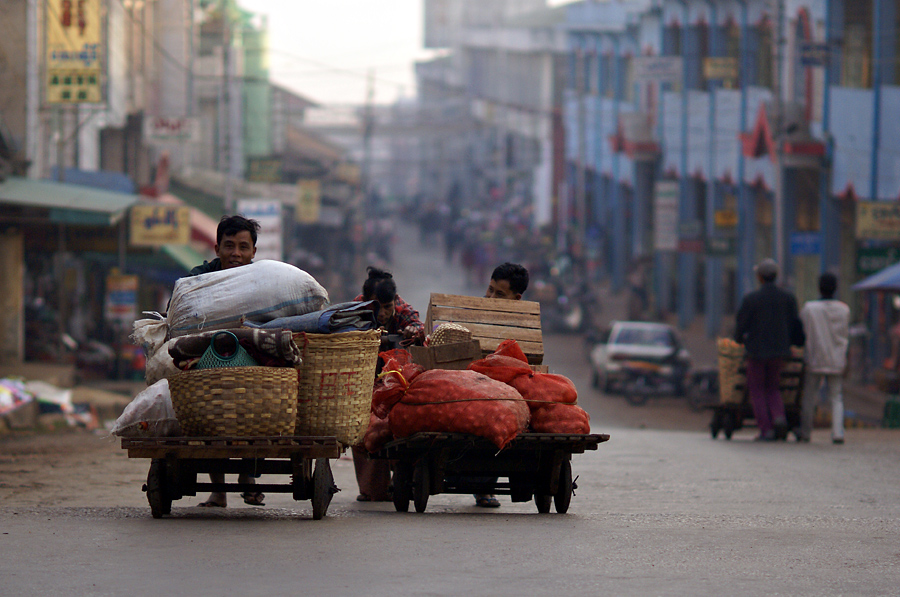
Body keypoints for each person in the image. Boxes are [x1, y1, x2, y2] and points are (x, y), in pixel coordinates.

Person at [189, 215, 267, 508]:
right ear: (217, 248)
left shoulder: (264, 282)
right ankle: (218, 491)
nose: (236, 253)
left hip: (252, 358)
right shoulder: (199, 277)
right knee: (212, 416)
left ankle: (248, 477)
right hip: (209, 356)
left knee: (257, 408)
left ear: (253, 252)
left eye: (243, 247)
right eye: (229, 246)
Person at [352, 266, 425, 502]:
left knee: (405, 424)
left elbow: (420, 327)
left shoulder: (405, 311)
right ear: (365, 300)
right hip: (363, 380)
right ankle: (372, 488)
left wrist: (414, 332)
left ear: (394, 301)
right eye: (377, 307)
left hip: (395, 382)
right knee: (361, 428)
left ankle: (402, 480)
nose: (382, 313)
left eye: (387, 307)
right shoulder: (355, 311)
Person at [474, 262, 529, 508]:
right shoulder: (473, 313)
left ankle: (487, 484)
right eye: (490, 290)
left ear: (516, 299)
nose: (491, 297)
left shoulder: (526, 325)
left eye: (500, 294)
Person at [734, 258, 804, 442]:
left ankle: (766, 428)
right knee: (773, 387)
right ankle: (779, 417)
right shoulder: (788, 298)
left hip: (757, 352)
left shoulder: (751, 299)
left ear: (759, 277)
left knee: (757, 389)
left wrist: (739, 340)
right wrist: (794, 344)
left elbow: (741, 326)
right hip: (780, 351)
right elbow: (795, 325)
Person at [798, 273, 850, 444]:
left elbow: (802, 331)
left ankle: (805, 432)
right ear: (836, 288)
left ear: (818, 287)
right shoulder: (844, 309)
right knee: (837, 397)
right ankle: (838, 434)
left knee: (809, 396)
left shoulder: (809, 308)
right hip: (836, 359)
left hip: (815, 357)